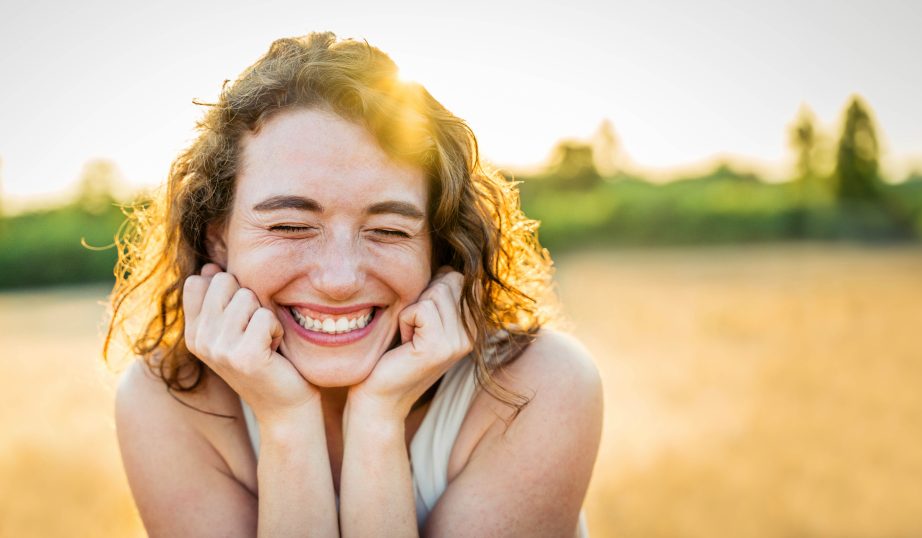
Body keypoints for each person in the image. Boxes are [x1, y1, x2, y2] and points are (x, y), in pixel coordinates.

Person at [106, 31, 603, 537]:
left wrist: (378, 418)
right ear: (217, 239)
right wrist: (286, 421)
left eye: (388, 230)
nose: (340, 279)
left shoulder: (536, 388)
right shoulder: (167, 402)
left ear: (439, 244)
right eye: (290, 226)